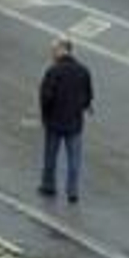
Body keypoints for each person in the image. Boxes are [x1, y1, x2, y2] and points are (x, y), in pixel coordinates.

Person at [38, 37, 94, 202]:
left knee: (50, 156)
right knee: (74, 159)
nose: (52, 54)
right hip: (75, 122)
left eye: (53, 50)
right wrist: (83, 106)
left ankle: (49, 186)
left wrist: (45, 116)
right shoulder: (83, 70)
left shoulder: (53, 71)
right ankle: (72, 191)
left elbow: (45, 97)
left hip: (55, 122)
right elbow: (88, 94)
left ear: (62, 50)